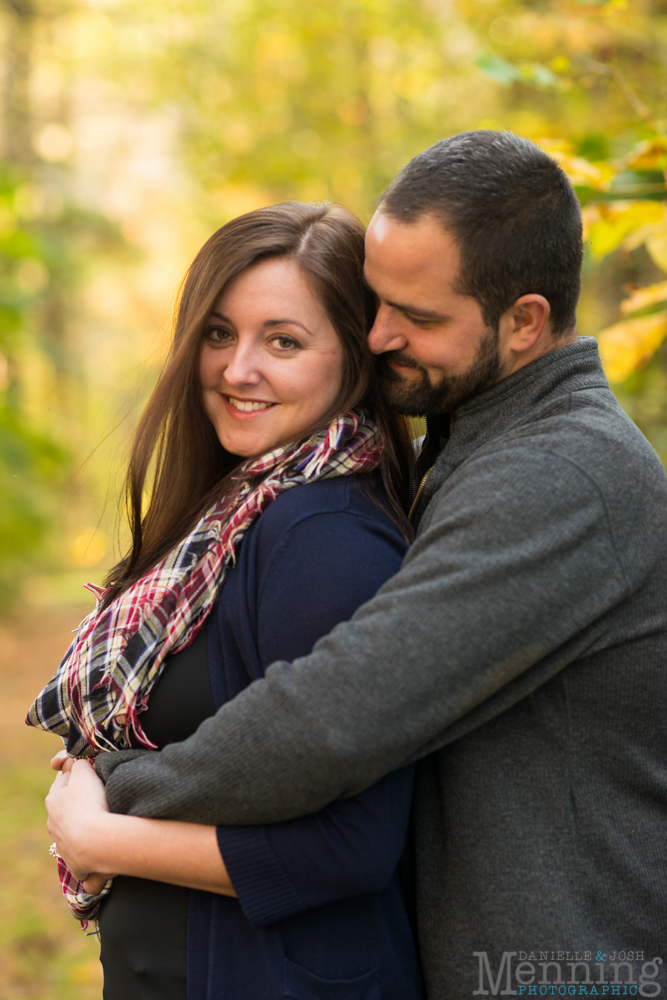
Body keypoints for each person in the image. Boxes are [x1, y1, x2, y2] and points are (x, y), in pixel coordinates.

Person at [48, 131, 667, 997]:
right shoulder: (475, 443)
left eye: (416, 318)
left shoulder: (559, 476)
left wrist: (113, 787)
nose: (378, 336)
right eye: (376, 302)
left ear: (523, 322)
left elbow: (335, 715)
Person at [31, 202, 427, 999]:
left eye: (282, 340)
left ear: (351, 358)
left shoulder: (325, 538)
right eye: (218, 333)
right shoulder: (231, 520)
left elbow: (352, 846)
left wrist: (101, 836)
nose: (236, 368)